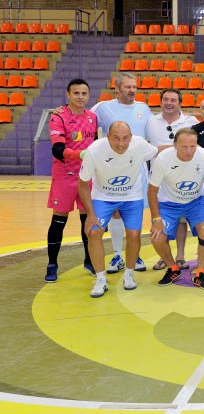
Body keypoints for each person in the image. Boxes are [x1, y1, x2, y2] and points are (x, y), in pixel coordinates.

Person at [77, 121, 158, 298]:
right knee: (93, 232)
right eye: (116, 138)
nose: (121, 143)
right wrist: (90, 215)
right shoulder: (94, 150)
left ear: (131, 137)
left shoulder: (140, 144)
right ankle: (100, 279)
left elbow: (157, 150)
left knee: (134, 235)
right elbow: (82, 184)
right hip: (103, 197)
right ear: (107, 137)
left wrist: (183, 146)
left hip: (132, 197)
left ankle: (128, 275)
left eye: (125, 138)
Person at [90, 72, 152, 274]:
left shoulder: (144, 108)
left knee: (134, 211)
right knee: (116, 212)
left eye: (134, 86)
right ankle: (117, 254)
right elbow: (84, 119)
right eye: (127, 87)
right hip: (111, 169)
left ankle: (134, 254)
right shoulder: (103, 107)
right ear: (116, 88)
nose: (132, 90)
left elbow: (155, 131)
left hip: (137, 169)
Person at [45, 78, 98, 282]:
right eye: (76, 93)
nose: (80, 97)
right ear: (68, 94)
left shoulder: (92, 117)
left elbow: (93, 145)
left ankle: (89, 260)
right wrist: (81, 155)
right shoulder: (58, 117)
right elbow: (57, 150)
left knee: (88, 219)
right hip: (65, 176)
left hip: (86, 177)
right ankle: (52, 264)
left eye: (84, 93)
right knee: (59, 221)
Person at [147, 128, 204, 289]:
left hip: (196, 202)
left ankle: (200, 273)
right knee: (157, 236)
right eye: (184, 147)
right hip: (168, 203)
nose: (189, 151)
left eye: (193, 146)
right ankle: (172, 268)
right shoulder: (163, 159)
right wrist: (156, 220)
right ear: (175, 145)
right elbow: (152, 191)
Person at [145, 88, 199, 270]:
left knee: (182, 219)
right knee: (164, 218)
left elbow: (202, 137)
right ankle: (164, 257)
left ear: (180, 103)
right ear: (160, 102)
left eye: (173, 100)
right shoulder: (150, 121)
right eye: (166, 99)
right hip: (160, 178)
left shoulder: (191, 121)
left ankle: (181, 255)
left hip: (184, 176)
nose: (169, 103)